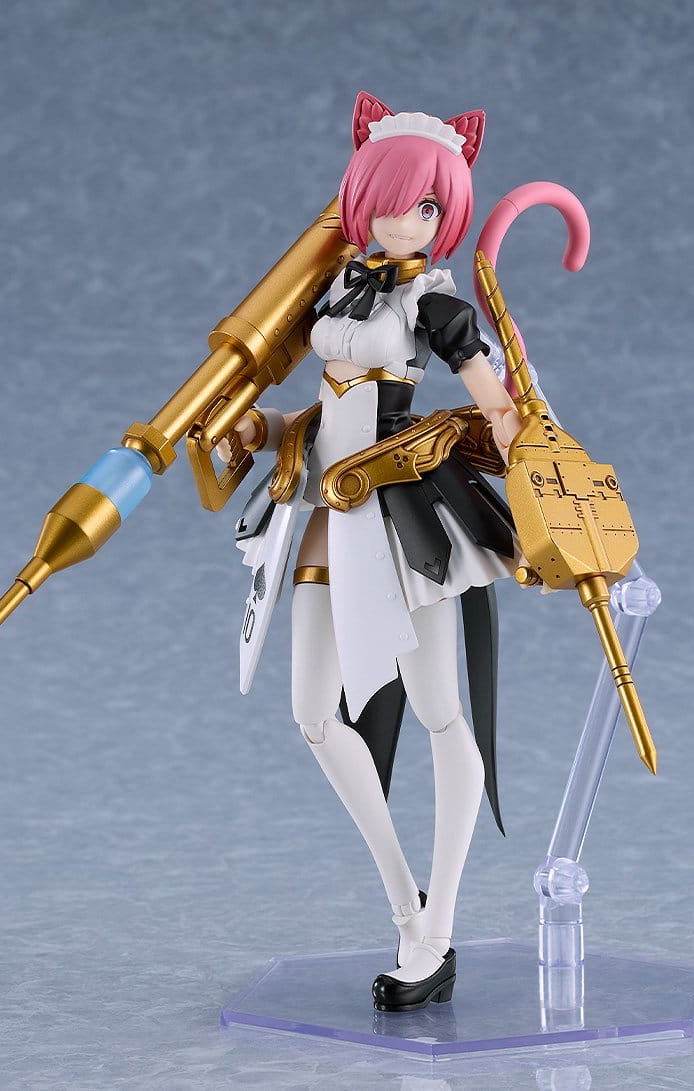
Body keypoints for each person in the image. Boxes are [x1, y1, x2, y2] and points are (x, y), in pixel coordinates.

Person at [221, 92, 523, 1013]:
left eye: (427, 206)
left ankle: (438, 924)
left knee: (439, 711)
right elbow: (325, 418)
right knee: (314, 713)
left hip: (402, 518)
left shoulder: (435, 303)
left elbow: (501, 408)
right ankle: (406, 904)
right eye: (391, 202)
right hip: (326, 509)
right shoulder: (339, 287)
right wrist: (261, 430)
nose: (405, 220)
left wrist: (538, 463)